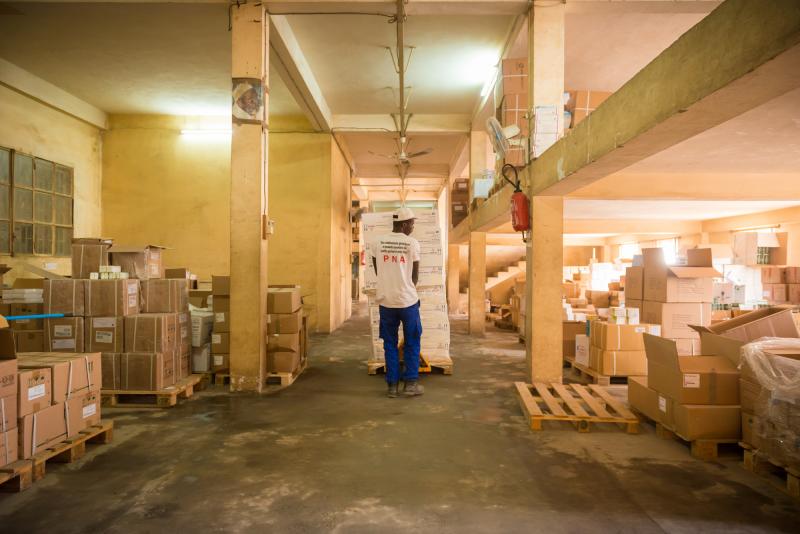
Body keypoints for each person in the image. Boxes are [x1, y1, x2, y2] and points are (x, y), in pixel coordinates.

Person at [369, 207, 424, 398]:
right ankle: (410, 384)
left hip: (387, 302)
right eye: (411, 224)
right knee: (412, 341)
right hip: (408, 302)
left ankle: (392, 386)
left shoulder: (377, 242)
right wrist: (406, 287)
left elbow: (378, 271)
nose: (412, 227)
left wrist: (389, 286)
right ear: (404, 224)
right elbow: (414, 276)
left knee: (390, 343)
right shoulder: (412, 244)